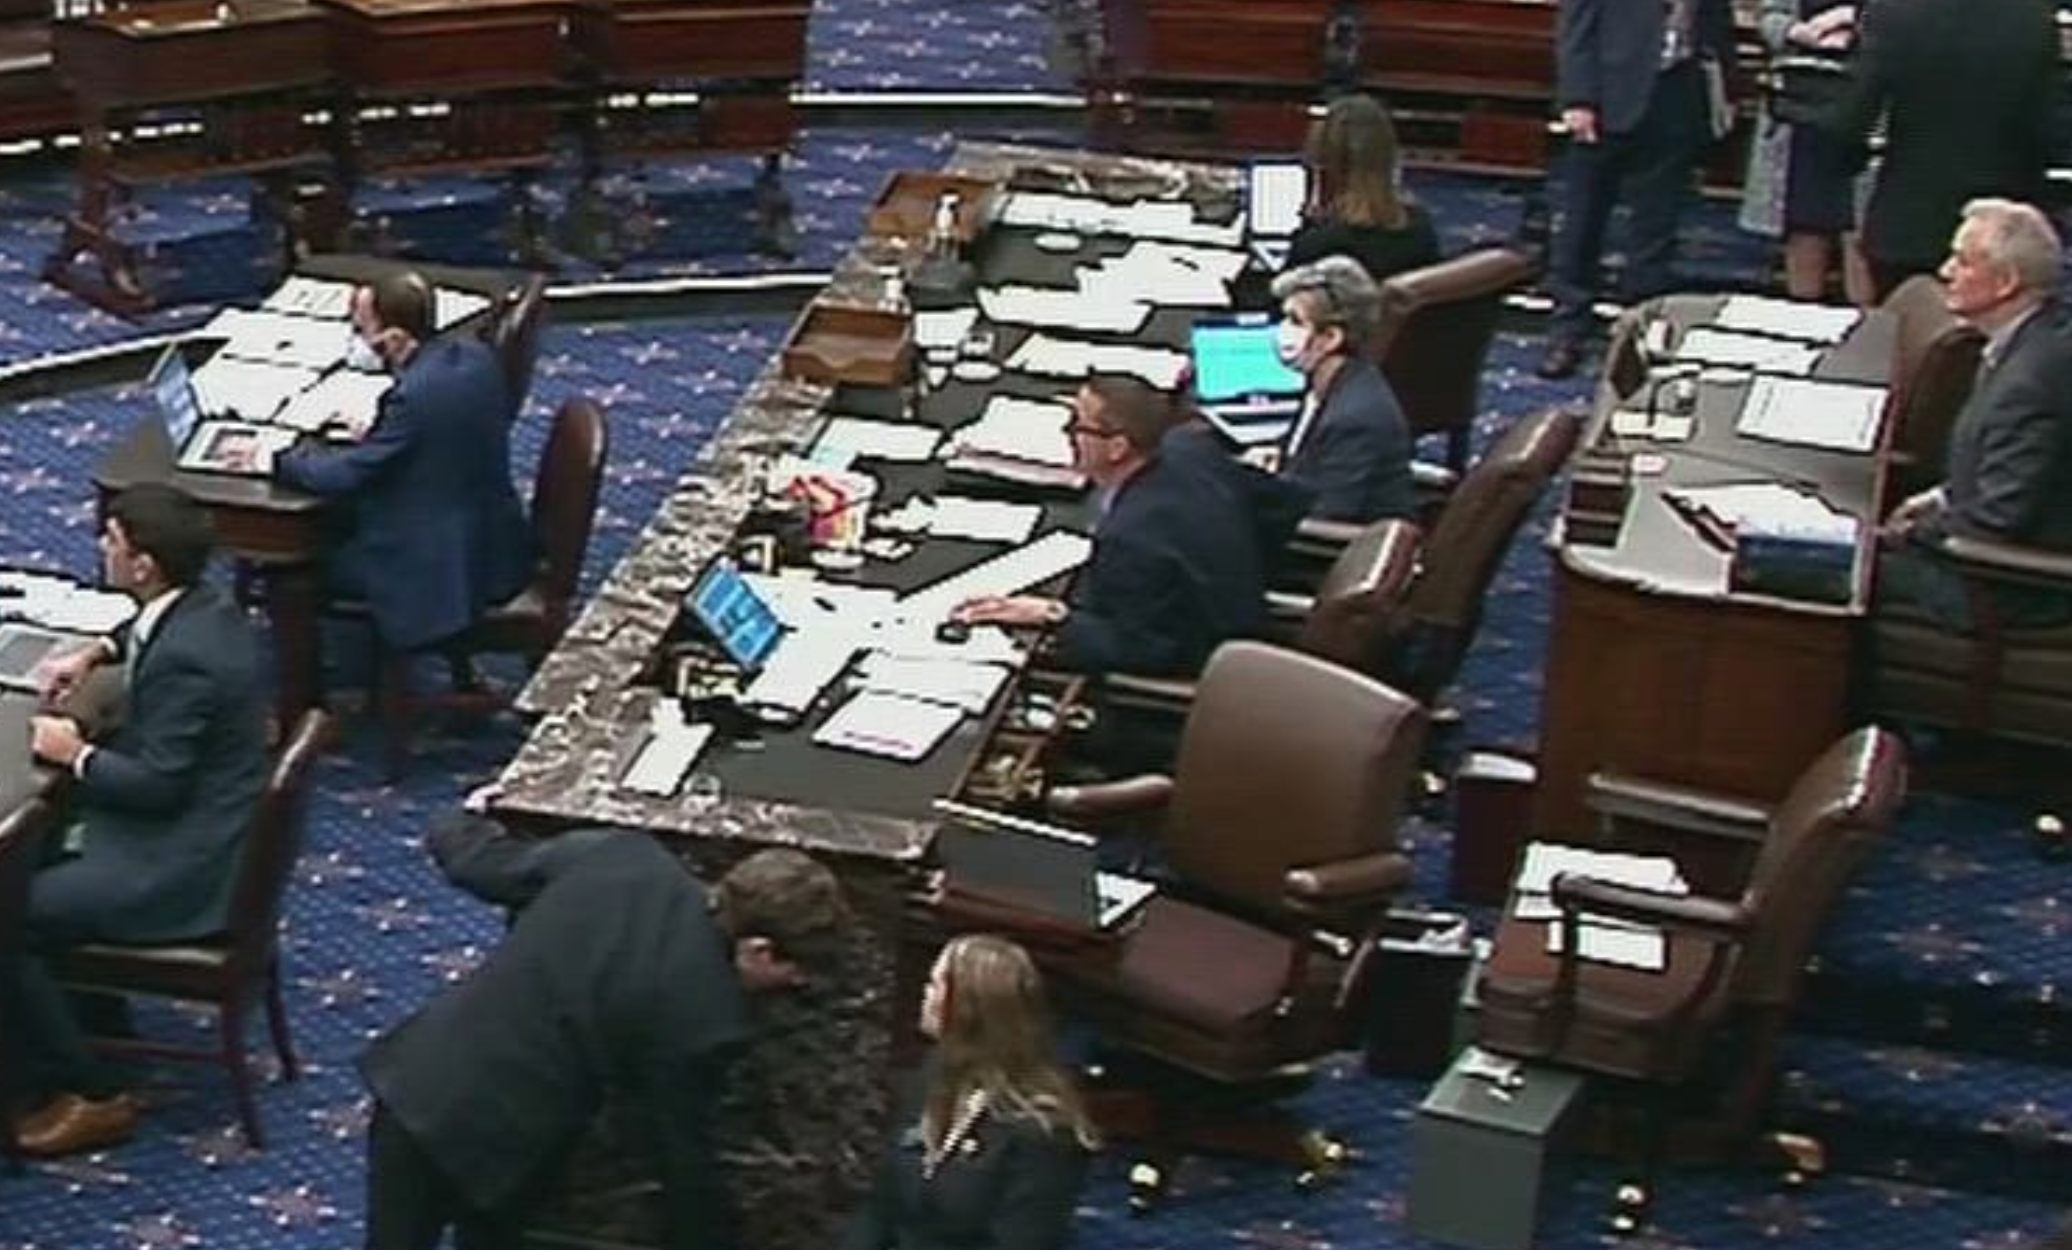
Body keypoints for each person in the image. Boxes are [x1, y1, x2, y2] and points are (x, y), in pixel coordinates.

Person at [360, 814, 855, 1250]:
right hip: (502, 1147)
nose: (800, 983)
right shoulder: (705, 1019)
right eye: (799, 969)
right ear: (759, 950)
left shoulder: (624, 856)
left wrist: (461, 818)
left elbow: (482, 864)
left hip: (415, 1086)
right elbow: (679, 1152)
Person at [13, 483, 268, 1156]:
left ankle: (93, 1092)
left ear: (144, 564)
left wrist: (76, 755)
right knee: (29, 859)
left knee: (8, 914)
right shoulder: (208, 611)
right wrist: (97, 651)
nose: (104, 548)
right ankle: (87, 1012)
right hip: (205, 829)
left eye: (114, 542)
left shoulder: (188, 660)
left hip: (178, 863)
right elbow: (147, 630)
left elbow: (157, 787)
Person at [266, 269, 534, 653]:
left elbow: (342, 476)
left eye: (362, 331)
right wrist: (381, 434)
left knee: (295, 564)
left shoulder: (413, 397)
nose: (357, 342)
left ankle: (304, 696)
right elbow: (435, 431)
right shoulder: (476, 357)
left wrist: (275, 458)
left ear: (393, 337)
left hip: (435, 569)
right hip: (490, 545)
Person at [953, 375, 1271, 679]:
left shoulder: (1130, 534)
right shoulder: (1189, 448)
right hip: (1244, 619)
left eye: (1077, 425)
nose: (1067, 433)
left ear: (1117, 447)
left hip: (1207, 666)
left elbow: (1141, 648)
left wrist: (1054, 615)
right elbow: (1279, 505)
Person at [1879, 199, 2072, 630]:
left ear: (2005, 282)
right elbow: (2002, 474)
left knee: (1820, 576)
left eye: (1962, 262)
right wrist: (1938, 498)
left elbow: (1995, 520)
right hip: (1982, 548)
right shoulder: (2029, 341)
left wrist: (1911, 531)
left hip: (2002, 584)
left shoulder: (2033, 380)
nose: (1945, 271)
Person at [840, 935, 1094, 1250]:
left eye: (934, 985)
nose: (925, 994)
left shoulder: (1043, 1133)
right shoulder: (927, 1077)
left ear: (967, 1008)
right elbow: (878, 1203)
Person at [1538, 0, 1734, 380]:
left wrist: (1725, 89)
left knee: (1657, 223)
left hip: (1677, 95)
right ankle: (1567, 330)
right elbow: (1575, 28)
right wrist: (1578, 99)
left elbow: (1714, 24)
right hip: (1607, 96)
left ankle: (1638, 328)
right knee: (1582, 223)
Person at [1820, 0, 2062, 302]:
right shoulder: (2032, 16)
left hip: (1908, 221)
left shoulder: (1892, 11)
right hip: (2000, 224)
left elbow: (1851, 122)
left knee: (1908, 336)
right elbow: (2047, 128)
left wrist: (1847, 163)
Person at [1737, 0, 1870, 303]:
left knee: (1861, 237)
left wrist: (1856, 20)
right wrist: (1798, 32)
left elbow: (1912, 21)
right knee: (1804, 228)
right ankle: (1802, 323)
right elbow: (1770, 16)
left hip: (1868, 115)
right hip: (1801, 114)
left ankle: (1863, 335)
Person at [1268, 256, 1415, 523]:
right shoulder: (1326, 382)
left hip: (1327, 553)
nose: (1282, 330)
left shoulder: (1354, 419)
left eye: (1295, 320)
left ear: (1330, 338)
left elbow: (1327, 518)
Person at [1286, 94, 1443, 284]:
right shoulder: (1421, 230)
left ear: (1327, 166)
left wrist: (1309, 228)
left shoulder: (1318, 244)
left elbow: (1284, 305)